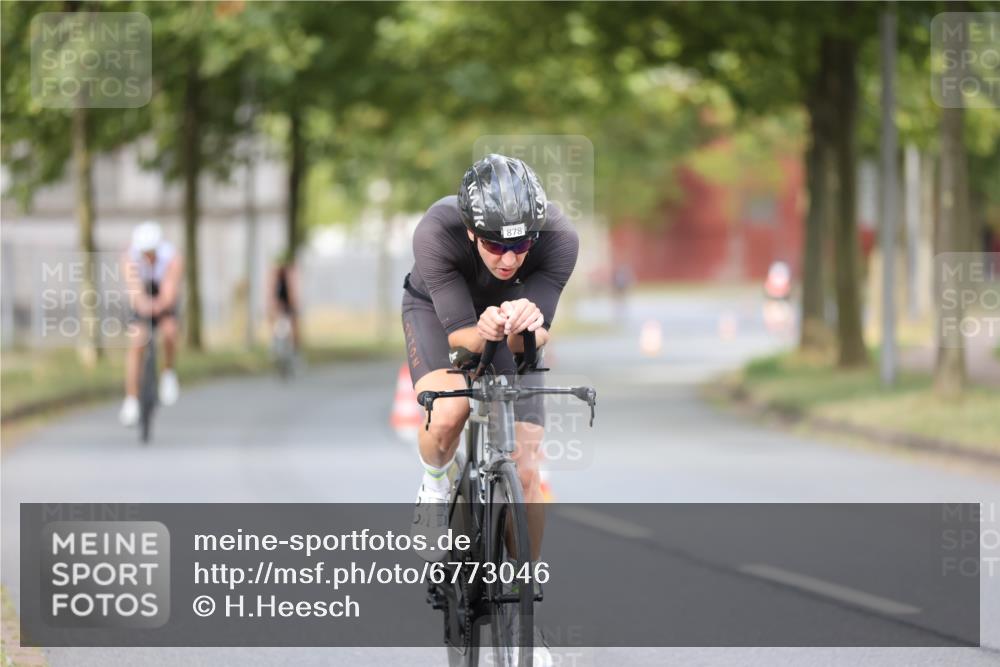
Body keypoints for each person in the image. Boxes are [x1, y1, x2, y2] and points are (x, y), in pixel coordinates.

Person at [403, 153, 578, 539]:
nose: (510, 259)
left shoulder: (560, 237)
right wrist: (486, 329)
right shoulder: (436, 231)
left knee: (527, 465)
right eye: (495, 246)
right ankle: (435, 484)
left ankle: (519, 583)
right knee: (449, 413)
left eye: (522, 243)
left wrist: (525, 323)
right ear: (471, 232)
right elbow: (461, 339)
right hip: (439, 315)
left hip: (511, 325)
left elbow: (529, 341)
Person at [119, 221, 184, 426]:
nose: (148, 256)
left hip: (162, 293)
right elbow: (135, 289)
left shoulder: (172, 257)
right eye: (144, 252)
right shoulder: (129, 257)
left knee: (170, 331)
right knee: (137, 341)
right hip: (142, 296)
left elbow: (170, 290)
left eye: (151, 252)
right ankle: (131, 399)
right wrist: (143, 304)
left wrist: (161, 305)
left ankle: (168, 373)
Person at [267, 250, 302, 352]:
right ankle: (274, 345)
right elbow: (271, 294)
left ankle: (294, 348)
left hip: (289, 305)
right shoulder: (275, 277)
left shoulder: (289, 276)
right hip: (279, 305)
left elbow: (293, 294)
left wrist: (293, 307)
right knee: (274, 321)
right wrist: (273, 307)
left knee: (293, 323)